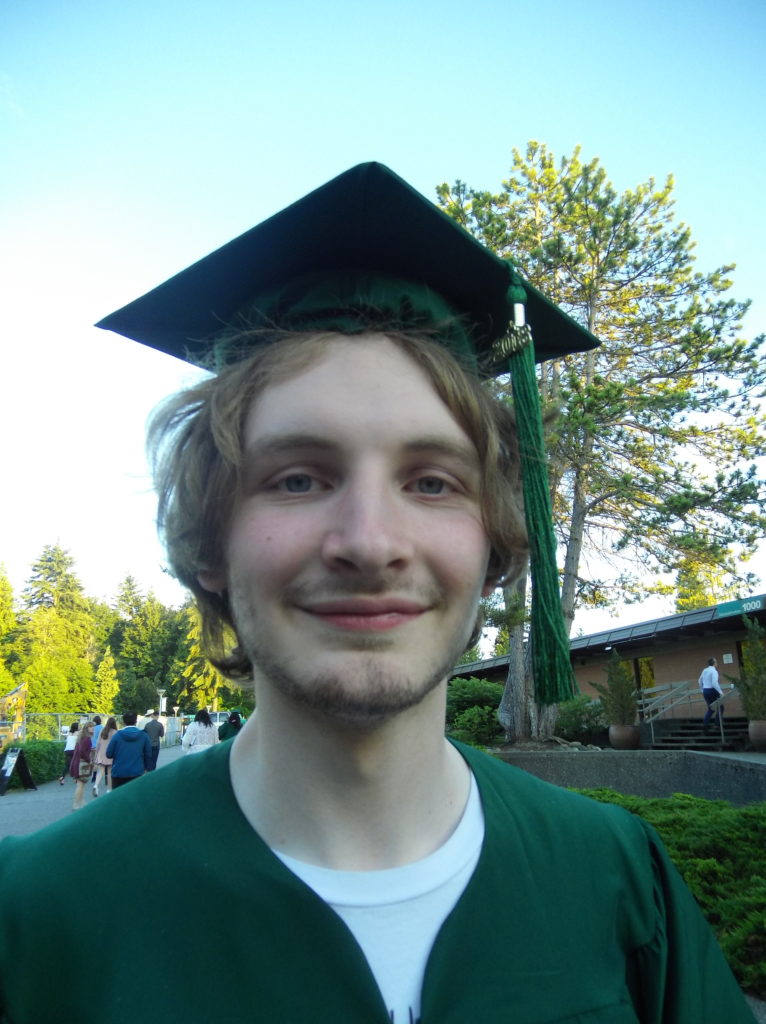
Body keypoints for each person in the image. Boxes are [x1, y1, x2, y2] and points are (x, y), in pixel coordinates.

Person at [0, 164, 755, 1023]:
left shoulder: (618, 881)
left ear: (494, 539)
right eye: (297, 479)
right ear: (211, 543)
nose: (368, 542)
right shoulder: (38, 917)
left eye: (432, 482)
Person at [105, 711, 152, 788]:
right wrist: (146, 769)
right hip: (137, 773)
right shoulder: (144, 735)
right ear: (136, 721)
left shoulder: (117, 735)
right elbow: (149, 754)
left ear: (124, 722)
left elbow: (109, 754)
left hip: (119, 773)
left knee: (119, 795)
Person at [69, 720, 95, 811]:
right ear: (87, 728)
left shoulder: (82, 737)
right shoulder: (87, 738)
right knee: (80, 784)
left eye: (93, 727)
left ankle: (81, 801)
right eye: (91, 727)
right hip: (81, 764)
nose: (93, 728)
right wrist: (89, 760)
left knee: (82, 784)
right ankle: (75, 804)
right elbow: (82, 751)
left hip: (77, 762)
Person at [92, 716, 118, 795]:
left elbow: (98, 743)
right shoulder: (115, 732)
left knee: (100, 771)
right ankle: (109, 790)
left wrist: (96, 754)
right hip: (110, 754)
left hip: (101, 753)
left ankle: (96, 785)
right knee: (109, 772)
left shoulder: (102, 730)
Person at [699, 656, 725, 732]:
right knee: (720, 707)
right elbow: (714, 683)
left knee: (711, 709)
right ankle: (717, 725)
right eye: (716, 662)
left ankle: (705, 725)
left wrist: (702, 690)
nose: (717, 663)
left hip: (705, 691)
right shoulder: (714, 671)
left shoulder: (705, 670)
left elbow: (699, 680)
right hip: (712, 690)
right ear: (714, 663)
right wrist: (721, 692)